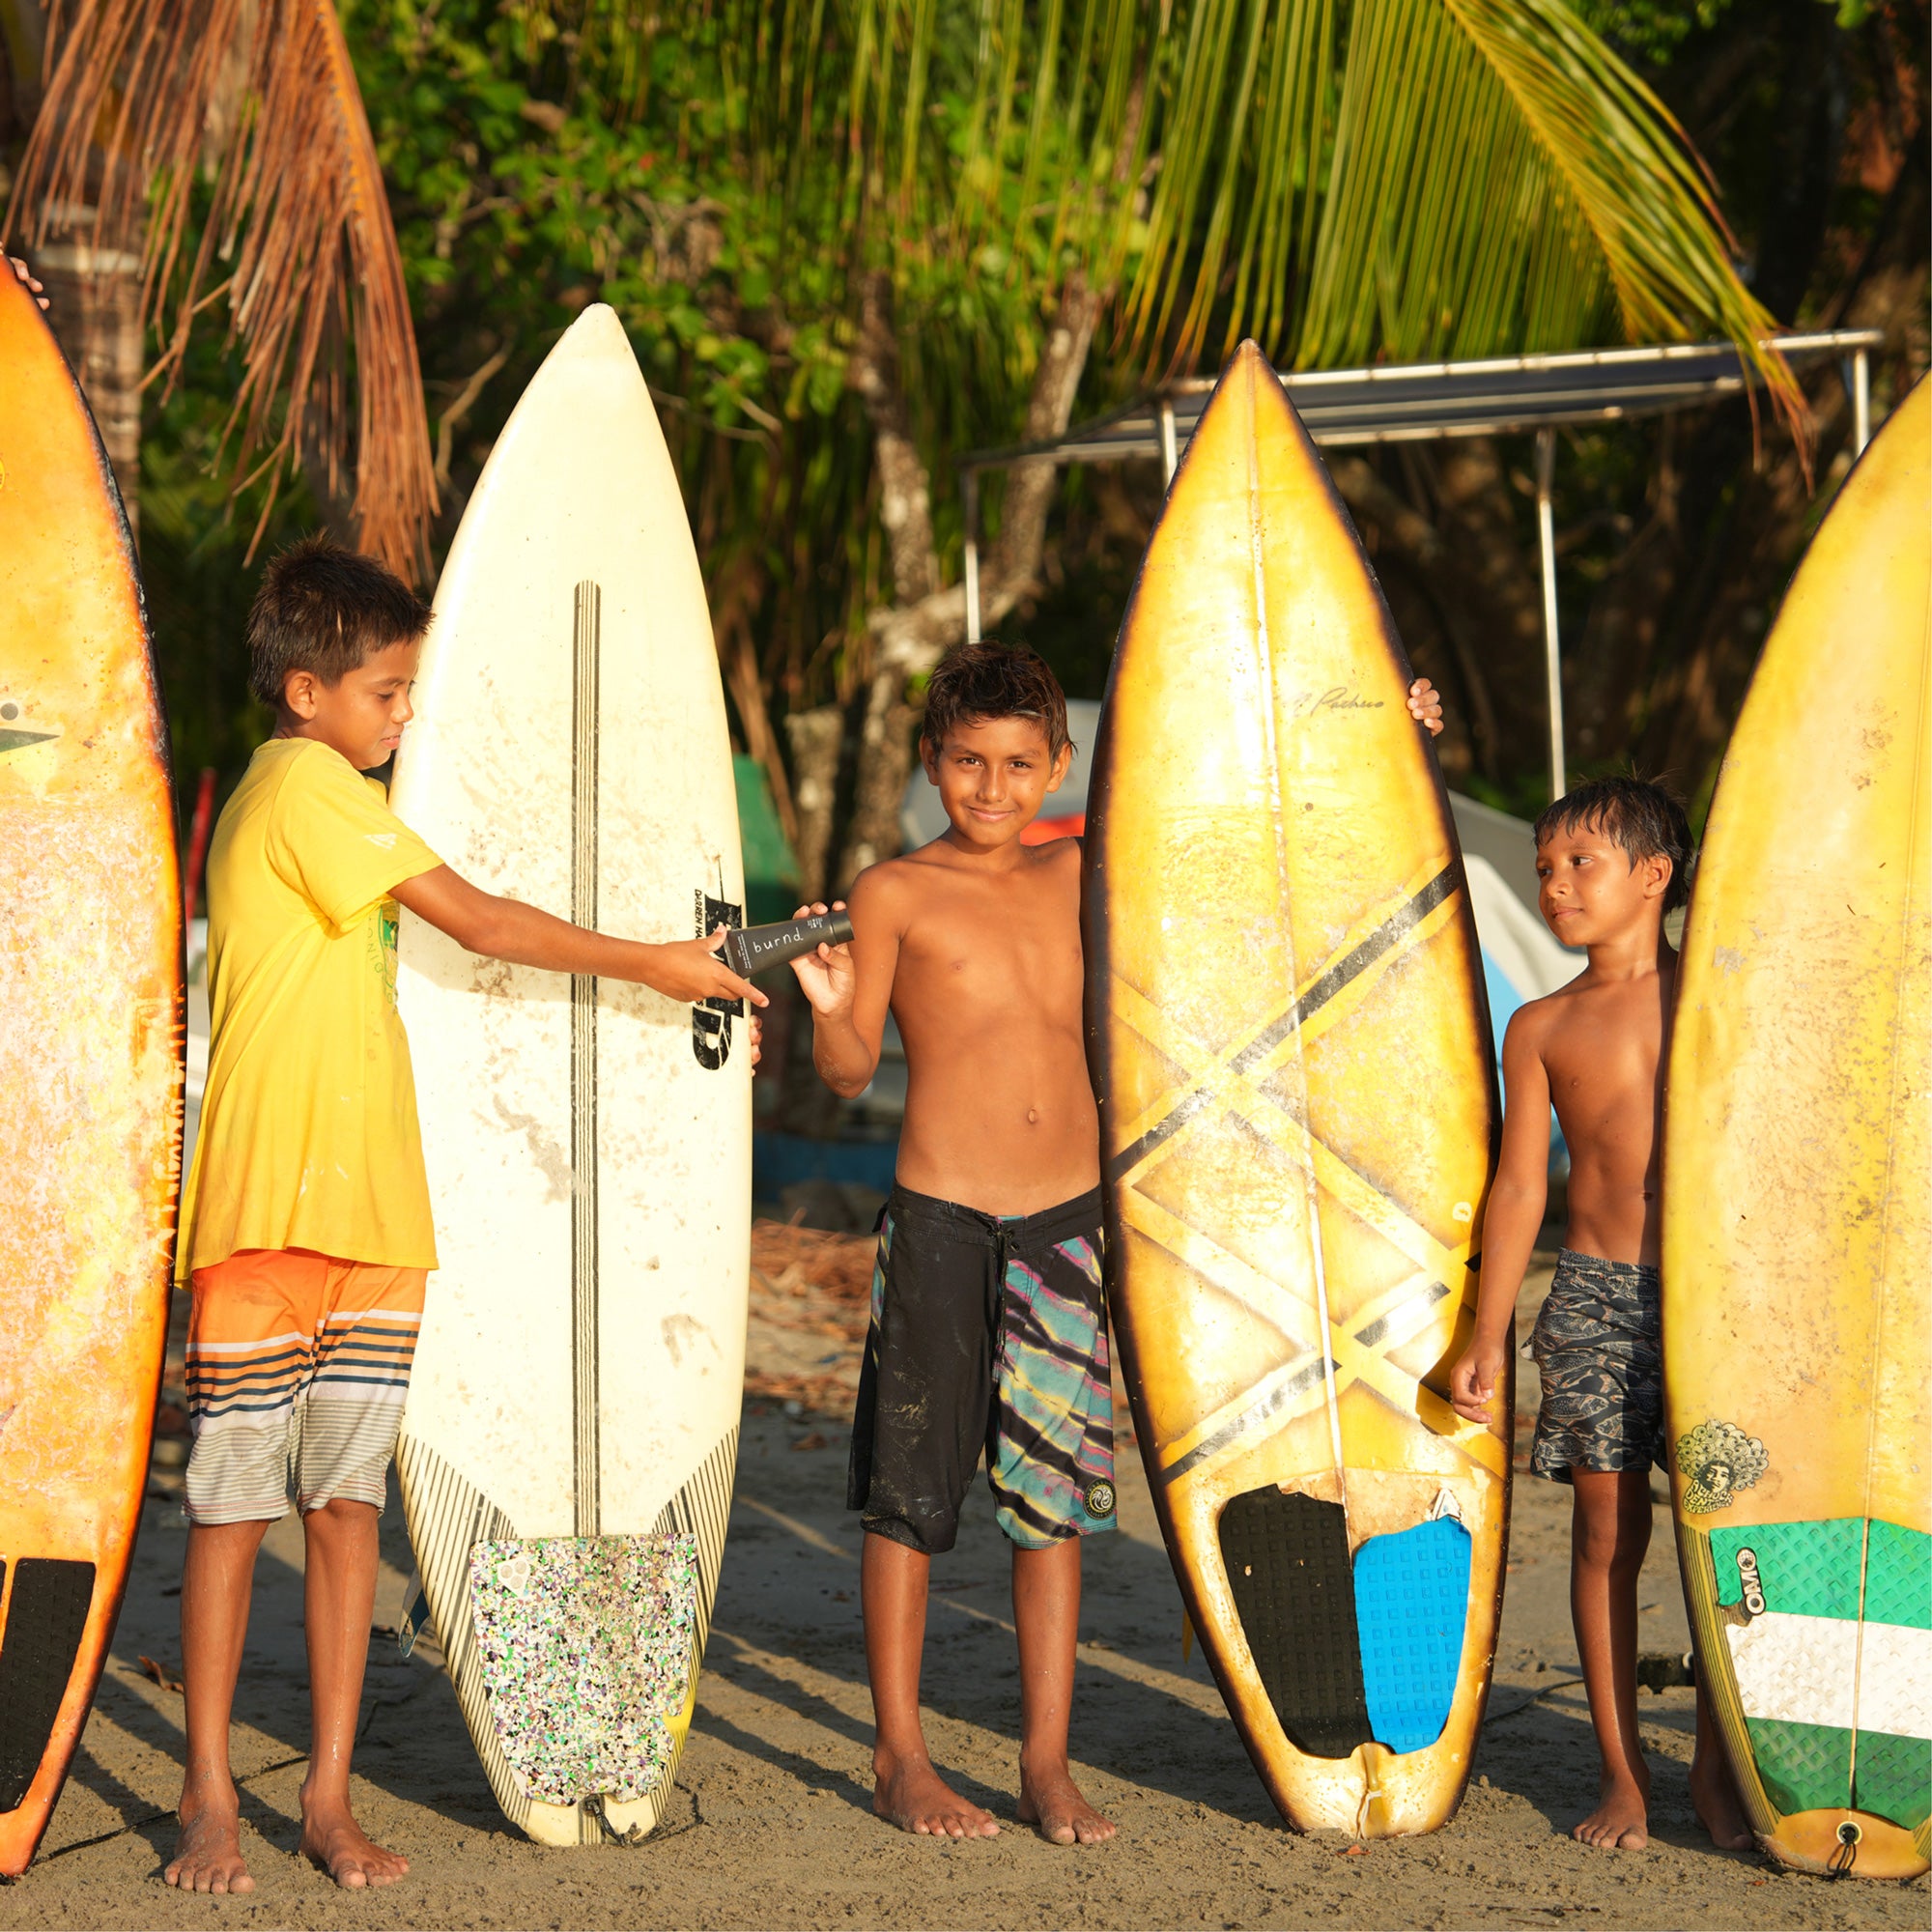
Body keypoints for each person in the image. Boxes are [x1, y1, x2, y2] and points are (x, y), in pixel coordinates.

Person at [166, 536, 764, 1895]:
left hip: (374, 1212)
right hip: (266, 1208)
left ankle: (323, 1799)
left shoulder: (336, 794)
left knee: (345, 1512)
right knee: (230, 1514)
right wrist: (658, 964)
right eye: (388, 691)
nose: (407, 713)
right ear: (308, 692)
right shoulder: (301, 786)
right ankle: (209, 1793)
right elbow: (483, 925)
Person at [788, 641, 1445, 1846]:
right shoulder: (894, 892)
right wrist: (833, 1013)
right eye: (968, 764)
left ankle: (1045, 1764)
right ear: (932, 762)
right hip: (938, 1220)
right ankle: (899, 1754)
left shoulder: (1083, 869)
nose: (992, 789)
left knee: (1053, 1508)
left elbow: (1243, 833)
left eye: (1018, 764)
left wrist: (1380, 733)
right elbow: (844, 1072)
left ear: (1057, 764)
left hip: (1062, 1230)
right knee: (907, 1499)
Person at [1448, 777, 1750, 1854]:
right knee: (1603, 1532)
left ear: (1653, 877)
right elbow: (1520, 1186)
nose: (1554, 883)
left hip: (1717, 1300)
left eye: (1581, 862)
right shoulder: (1538, 1023)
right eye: (1544, 865)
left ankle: (1721, 1763)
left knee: (1720, 1537)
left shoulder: (1717, 996)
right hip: (1590, 1295)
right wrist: (1485, 1331)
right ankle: (1623, 1772)